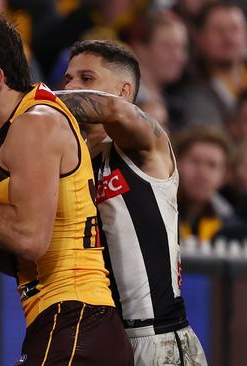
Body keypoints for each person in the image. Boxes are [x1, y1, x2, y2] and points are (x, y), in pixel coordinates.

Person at [0, 16, 132, 365]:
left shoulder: (33, 124)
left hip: (73, 319)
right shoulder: (28, 121)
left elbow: (29, 239)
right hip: (76, 324)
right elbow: (20, 258)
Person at [57, 39, 208, 365]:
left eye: (86, 78)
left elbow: (112, 110)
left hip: (158, 339)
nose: (70, 87)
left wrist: (29, 101)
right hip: (103, 342)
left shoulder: (146, 144)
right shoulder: (68, 166)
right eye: (67, 79)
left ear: (124, 91)